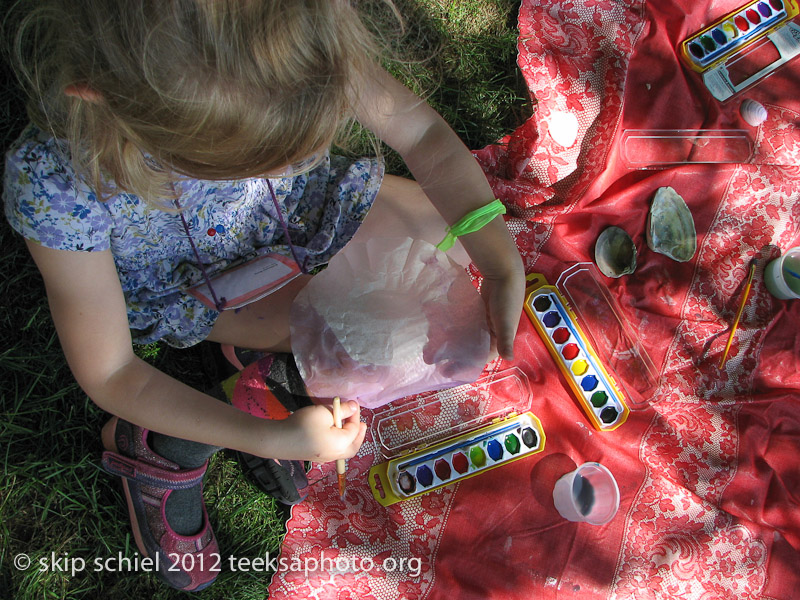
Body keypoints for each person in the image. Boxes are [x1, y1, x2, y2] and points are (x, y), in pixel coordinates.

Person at [4, 0, 525, 591]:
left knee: (445, 241)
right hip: (197, 280)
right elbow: (113, 373)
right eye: (238, 162)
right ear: (104, 95)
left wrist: (498, 259)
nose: (273, 166)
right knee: (374, 346)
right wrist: (272, 437)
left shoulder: (292, 39)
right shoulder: (59, 184)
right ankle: (163, 443)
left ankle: (272, 361)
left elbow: (424, 132)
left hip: (296, 220)